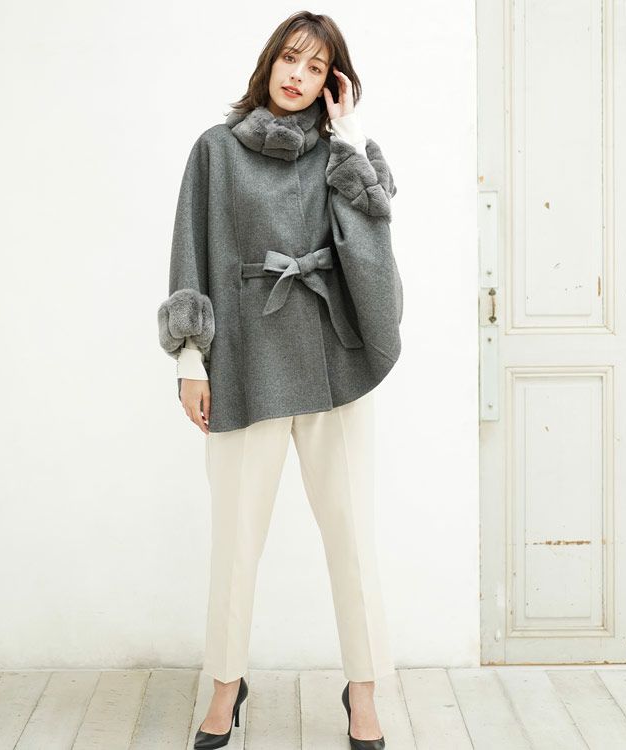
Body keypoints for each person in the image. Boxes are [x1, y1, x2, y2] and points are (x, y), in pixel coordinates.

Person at [157, 11, 403, 750]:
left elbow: (371, 251)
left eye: (317, 66)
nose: (298, 75)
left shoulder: (343, 154)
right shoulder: (216, 150)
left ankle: (364, 692)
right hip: (244, 362)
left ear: (334, 82)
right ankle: (224, 685)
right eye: (291, 59)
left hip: (333, 363)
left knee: (352, 537)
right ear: (269, 62)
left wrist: (349, 140)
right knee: (236, 541)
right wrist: (190, 360)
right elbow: (190, 250)